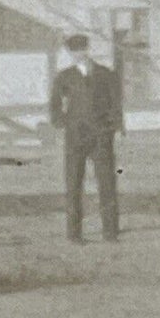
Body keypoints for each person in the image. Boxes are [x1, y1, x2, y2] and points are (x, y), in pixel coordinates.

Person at [49, 32, 123, 243]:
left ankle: (110, 232)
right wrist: (64, 123)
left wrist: (111, 127)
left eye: (81, 49)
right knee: (73, 184)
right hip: (75, 137)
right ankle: (74, 234)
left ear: (87, 49)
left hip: (100, 136)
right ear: (70, 53)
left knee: (107, 183)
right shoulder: (65, 76)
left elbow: (116, 103)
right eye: (73, 51)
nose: (77, 54)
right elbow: (54, 105)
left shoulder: (105, 74)